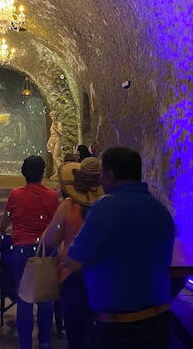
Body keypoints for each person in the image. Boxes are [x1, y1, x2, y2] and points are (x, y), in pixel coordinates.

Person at [66, 147, 175, 348]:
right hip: (159, 324)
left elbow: (73, 260)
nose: (100, 181)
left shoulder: (104, 208)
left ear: (109, 175)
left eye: (102, 175)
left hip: (119, 329)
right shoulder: (160, 210)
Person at [41, 157, 103, 349]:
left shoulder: (69, 206)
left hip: (73, 276)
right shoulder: (108, 207)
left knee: (76, 335)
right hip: (103, 277)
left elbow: (49, 239)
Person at [0, 156, 59, 349]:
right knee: (45, 297)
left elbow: (7, 219)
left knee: (24, 297)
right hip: (44, 248)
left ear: (23, 173)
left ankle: (24, 343)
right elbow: (56, 223)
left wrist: (2, 232)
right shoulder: (51, 196)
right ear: (43, 173)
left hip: (21, 249)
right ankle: (44, 341)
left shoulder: (15, 195)